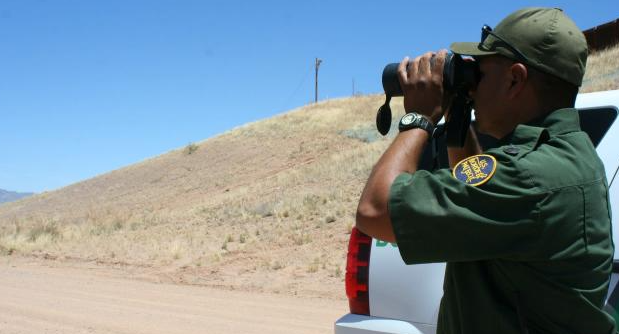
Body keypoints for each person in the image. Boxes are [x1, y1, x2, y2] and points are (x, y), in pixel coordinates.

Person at [355, 7, 615, 334]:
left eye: (480, 73)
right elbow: (473, 179)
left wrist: (419, 118)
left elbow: (375, 210)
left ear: (515, 79)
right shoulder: (569, 156)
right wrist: (458, 117)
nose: (473, 85)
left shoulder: (533, 177)